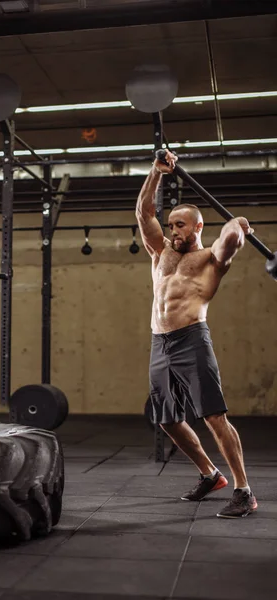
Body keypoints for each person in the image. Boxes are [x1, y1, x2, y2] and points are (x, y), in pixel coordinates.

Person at [136, 149, 257, 518]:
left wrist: (237, 224)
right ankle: (210, 474)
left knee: (213, 417)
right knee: (166, 417)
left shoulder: (209, 261)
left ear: (198, 227)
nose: (173, 230)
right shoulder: (160, 253)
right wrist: (156, 173)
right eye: (171, 224)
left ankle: (243, 490)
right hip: (161, 343)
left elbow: (230, 242)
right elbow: (143, 212)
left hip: (191, 339)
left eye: (180, 225)